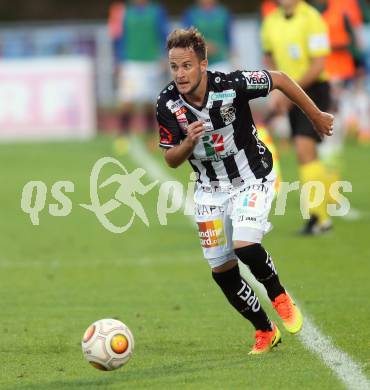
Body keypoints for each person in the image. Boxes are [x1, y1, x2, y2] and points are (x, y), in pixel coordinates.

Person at [156, 28, 333, 354]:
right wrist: (188, 143)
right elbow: (170, 158)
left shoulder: (231, 85)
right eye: (174, 67)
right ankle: (265, 330)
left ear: (203, 64)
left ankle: (279, 295)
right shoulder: (167, 104)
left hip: (253, 178)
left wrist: (315, 114)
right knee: (221, 271)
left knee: (245, 245)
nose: (180, 74)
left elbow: (279, 78)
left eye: (187, 66)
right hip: (209, 191)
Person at [261, 0, 336, 235]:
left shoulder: (312, 18)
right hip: (289, 92)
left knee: (304, 148)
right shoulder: (270, 21)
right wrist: (278, 89)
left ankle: (318, 217)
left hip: (313, 89)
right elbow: (269, 56)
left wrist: (289, 91)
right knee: (306, 152)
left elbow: (318, 65)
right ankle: (324, 209)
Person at [112, 0, 169, 153]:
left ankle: (150, 137)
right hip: (130, 63)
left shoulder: (157, 11)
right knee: (127, 100)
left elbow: (163, 35)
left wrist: (165, 56)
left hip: (152, 63)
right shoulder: (121, 11)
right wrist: (117, 60)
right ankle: (122, 136)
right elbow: (117, 39)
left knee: (149, 103)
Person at [182, 0, 233, 73]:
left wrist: (234, 59)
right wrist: (203, 46)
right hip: (198, 63)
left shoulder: (224, 13)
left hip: (220, 61)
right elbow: (186, 38)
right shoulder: (190, 14)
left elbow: (228, 39)